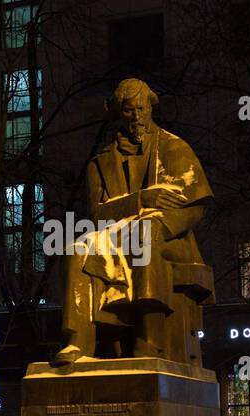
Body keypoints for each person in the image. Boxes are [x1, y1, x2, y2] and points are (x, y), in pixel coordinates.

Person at [51, 78, 213, 365]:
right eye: (128, 111)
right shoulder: (100, 161)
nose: (136, 117)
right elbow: (97, 214)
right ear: (118, 113)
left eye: (141, 108)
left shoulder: (174, 148)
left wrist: (159, 225)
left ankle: (150, 338)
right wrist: (140, 200)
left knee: (145, 233)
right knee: (76, 249)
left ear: (150, 106)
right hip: (115, 238)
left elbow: (195, 205)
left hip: (170, 241)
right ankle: (79, 341)